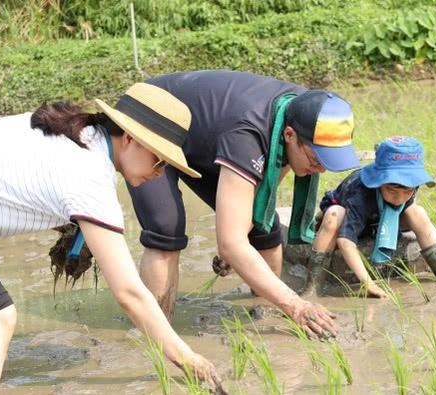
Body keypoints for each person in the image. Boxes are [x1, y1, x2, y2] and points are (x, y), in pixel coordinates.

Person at [0, 82, 222, 395]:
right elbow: (129, 293)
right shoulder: (90, 175)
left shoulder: (78, 134)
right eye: (159, 159)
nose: (160, 172)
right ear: (129, 138)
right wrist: (186, 357)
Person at [125, 70, 360, 338]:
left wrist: (236, 241)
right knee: (166, 228)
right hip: (152, 118)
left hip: (207, 136)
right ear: (290, 135)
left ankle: (264, 318)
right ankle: (156, 335)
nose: (321, 170)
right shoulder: (248, 135)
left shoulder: (301, 111)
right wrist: (296, 304)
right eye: (317, 160)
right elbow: (231, 242)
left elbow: (262, 196)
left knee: (264, 228)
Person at [303, 136, 436, 298]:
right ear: (378, 182)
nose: (399, 198)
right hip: (349, 217)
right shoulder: (360, 193)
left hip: (380, 219)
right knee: (334, 215)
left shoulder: (410, 187)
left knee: (418, 212)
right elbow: (345, 241)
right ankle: (312, 288)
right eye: (392, 191)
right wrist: (368, 283)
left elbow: (408, 205)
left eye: (407, 192)